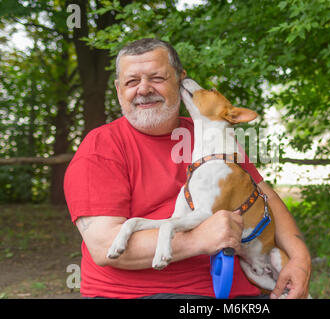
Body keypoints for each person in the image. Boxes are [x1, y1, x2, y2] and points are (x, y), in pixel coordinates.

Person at [64, 38, 311, 299]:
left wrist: (300, 261)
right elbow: (104, 246)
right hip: (146, 294)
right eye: (132, 81)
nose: (144, 89)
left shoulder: (210, 133)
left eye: (157, 78)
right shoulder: (101, 147)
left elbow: (265, 197)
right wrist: (198, 239)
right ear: (118, 89)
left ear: (179, 79)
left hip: (242, 289)